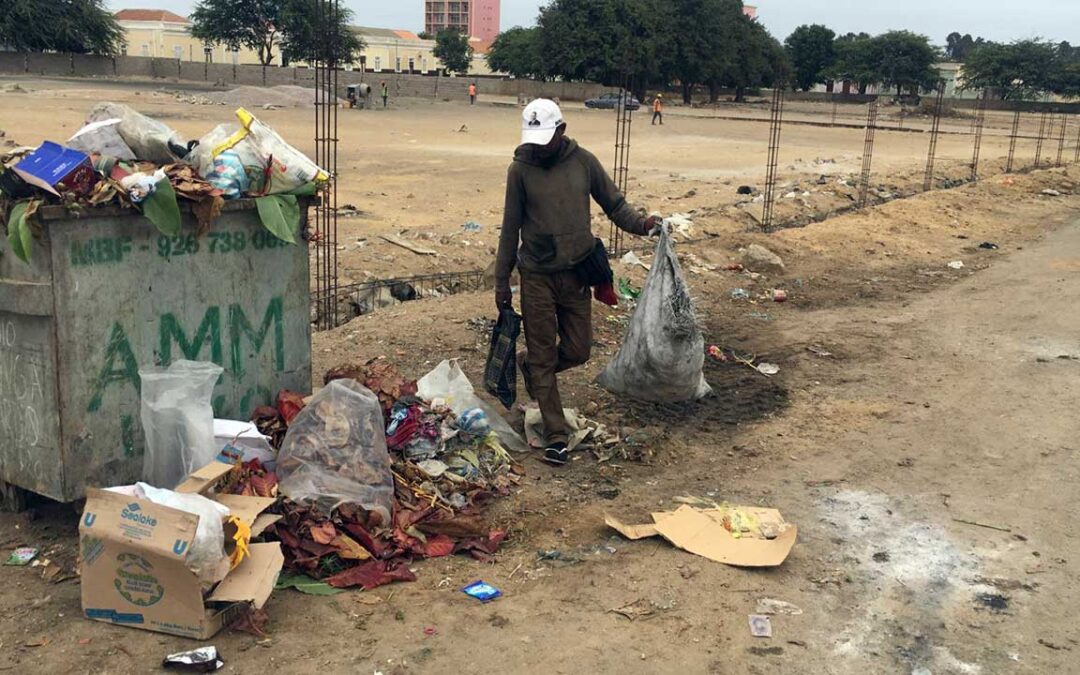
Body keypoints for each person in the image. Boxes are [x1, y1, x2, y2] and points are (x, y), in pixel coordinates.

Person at [494, 99, 660, 465]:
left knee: (579, 349)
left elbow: (615, 205)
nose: (539, 146)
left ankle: (534, 367)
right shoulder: (519, 170)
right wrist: (501, 280)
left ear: (562, 130)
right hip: (536, 275)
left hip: (577, 272)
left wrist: (643, 224)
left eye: (546, 138)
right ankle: (555, 435)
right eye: (534, 139)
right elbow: (510, 228)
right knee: (542, 353)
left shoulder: (583, 162)